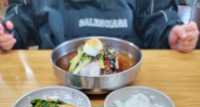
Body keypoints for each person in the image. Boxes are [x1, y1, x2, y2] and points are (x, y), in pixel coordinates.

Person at [0, 0, 199, 52]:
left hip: (128, 86)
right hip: (57, 86)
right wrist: (8, 34)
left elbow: (157, 17)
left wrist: (171, 33)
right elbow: (20, 19)